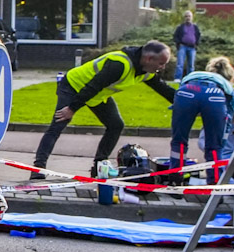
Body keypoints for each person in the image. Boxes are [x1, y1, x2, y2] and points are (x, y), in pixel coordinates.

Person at [27, 40, 176, 179]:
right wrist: (71, 109)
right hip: (73, 86)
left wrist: (184, 102)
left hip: (96, 95)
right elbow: (94, 86)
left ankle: (99, 166)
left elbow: (164, 89)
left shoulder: (146, 72)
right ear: (149, 59)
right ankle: (38, 169)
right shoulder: (120, 64)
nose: (162, 67)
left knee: (116, 125)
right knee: (58, 124)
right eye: (161, 63)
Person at [168, 56, 234, 183]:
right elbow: (228, 117)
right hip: (215, 96)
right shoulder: (226, 86)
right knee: (214, 147)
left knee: (178, 141)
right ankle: (214, 185)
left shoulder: (194, 74)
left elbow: (180, 94)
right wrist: (222, 140)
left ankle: (175, 179)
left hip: (187, 91)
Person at [173, 11, 200, 81]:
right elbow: (175, 36)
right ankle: (177, 78)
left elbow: (198, 36)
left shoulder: (195, 27)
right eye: (186, 16)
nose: (188, 18)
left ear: (192, 17)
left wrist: (196, 44)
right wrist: (178, 43)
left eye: (189, 16)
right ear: (184, 18)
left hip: (192, 48)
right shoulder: (180, 27)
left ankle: (190, 78)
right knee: (180, 64)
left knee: (191, 65)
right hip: (182, 47)